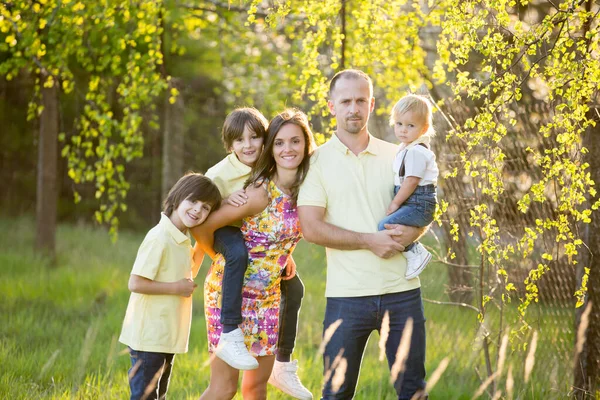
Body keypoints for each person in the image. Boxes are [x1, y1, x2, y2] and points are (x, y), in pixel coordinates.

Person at [298, 70, 429, 399]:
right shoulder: (315, 163)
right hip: (346, 297)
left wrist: (411, 233)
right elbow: (311, 228)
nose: (353, 108)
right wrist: (370, 240)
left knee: (412, 391)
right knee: (336, 393)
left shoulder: (399, 154)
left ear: (371, 104)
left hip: (402, 293)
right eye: (345, 101)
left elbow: (425, 207)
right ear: (331, 107)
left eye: (360, 100)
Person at [192, 109, 315, 400]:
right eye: (280, 143)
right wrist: (218, 256)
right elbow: (203, 225)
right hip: (231, 296)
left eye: (295, 141)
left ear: (306, 145)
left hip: (270, 297)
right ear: (271, 148)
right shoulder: (259, 192)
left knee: (256, 387)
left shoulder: (306, 189)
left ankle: (284, 368)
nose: (288, 149)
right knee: (224, 389)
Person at [119, 173, 222, 400]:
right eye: (193, 201)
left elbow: (188, 272)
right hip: (149, 336)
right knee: (145, 396)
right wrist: (176, 288)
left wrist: (203, 242)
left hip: (165, 335)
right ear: (177, 198)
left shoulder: (180, 238)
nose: (197, 210)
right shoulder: (160, 237)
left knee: (159, 395)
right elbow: (135, 282)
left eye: (205, 208)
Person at [377, 94, 439, 280]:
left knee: (384, 226)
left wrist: (395, 203)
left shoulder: (416, 151)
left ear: (424, 128)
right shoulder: (405, 147)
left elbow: (411, 181)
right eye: (399, 124)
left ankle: (415, 252)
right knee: (388, 226)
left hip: (419, 203)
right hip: (413, 200)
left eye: (410, 126)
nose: (403, 130)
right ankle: (412, 252)